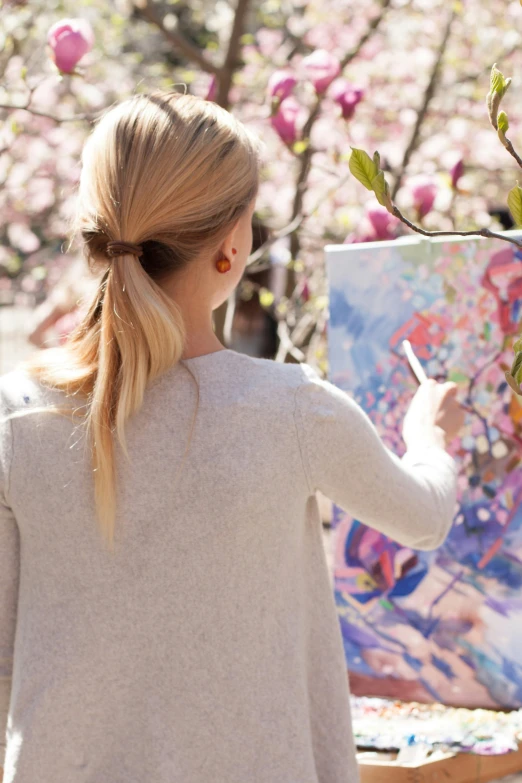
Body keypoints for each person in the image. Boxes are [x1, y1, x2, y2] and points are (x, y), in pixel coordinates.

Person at [0, 92, 463, 783]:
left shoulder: (18, 415)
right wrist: (429, 435)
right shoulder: (295, 411)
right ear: (233, 245)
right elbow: (424, 517)